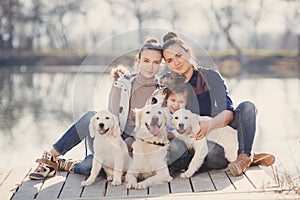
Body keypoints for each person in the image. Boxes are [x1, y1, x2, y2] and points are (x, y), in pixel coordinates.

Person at [29, 38, 164, 180]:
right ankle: (50, 159)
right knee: (91, 117)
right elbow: (111, 119)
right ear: (139, 61)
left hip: (137, 148)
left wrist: (131, 141)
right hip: (111, 137)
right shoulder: (122, 84)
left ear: (161, 65)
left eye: (156, 62)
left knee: (89, 165)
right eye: (146, 61)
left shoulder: (161, 93)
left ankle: (68, 165)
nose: (150, 66)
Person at [161, 31, 275, 176]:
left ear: (188, 52)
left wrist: (210, 125)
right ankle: (248, 158)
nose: (176, 62)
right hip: (197, 141)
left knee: (247, 107)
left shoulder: (210, 76)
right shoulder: (170, 85)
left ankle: (244, 156)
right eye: (170, 60)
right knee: (211, 153)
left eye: (179, 55)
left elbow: (228, 112)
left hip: (220, 128)